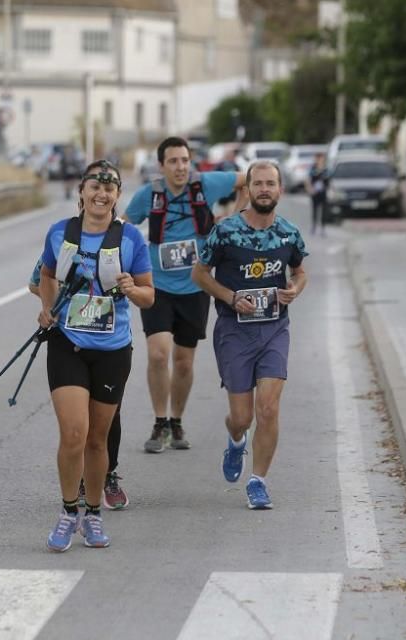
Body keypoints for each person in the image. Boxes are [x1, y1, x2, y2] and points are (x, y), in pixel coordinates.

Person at [36, 160, 154, 552]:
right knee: (73, 434)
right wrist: (48, 308)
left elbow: (148, 295)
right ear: (81, 192)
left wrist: (130, 289)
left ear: (117, 196)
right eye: (95, 187)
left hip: (112, 350)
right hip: (67, 345)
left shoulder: (131, 239)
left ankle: (93, 514)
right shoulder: (60, 233)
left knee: (97, 440)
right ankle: (68, 512)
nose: (102, 194)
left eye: (110, 188)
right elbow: (45, 277)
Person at [191, 160, 308, 510]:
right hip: (234, 331)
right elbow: (200, 274)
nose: (264, 189)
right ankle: (236, 439)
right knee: (242, 417)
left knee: (268, 409)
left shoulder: (289, 233)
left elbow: (300, 272)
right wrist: (230, 297)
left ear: (280, 189)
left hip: (274, 329)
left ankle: (258, 482)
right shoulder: (226, 231)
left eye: (271, 183)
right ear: (248, 189)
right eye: (258, 183)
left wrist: (294, 289)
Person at [123, 136, 247, 453]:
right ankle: (160, 421)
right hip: (157, 285)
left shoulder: (205, 185)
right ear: (161, 165)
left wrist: (233, 219)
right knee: (158, 354)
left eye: (184, 160)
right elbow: (125, 223)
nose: (180, 167)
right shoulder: (149, 195)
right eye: (173, 161)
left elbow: (244, 179)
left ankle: (177, 421)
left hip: (195, 286)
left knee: (183, 363)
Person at [29, 261, 129, 510]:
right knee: (76, 423)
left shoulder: (120, 243)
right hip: (70, 341)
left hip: (111, 344)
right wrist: (56, 302)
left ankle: (107, 475)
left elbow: (145, 289)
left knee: (106, 421)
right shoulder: (64, 240)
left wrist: (123, 289)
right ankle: (81, 483)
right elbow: (36, 283)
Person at [305, 153, 328, 236]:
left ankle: (323, 228)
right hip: (315, 192)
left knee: (324, 211)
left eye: (322, 159)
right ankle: (314, 226)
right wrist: (310, 189)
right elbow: (308, 180)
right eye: (318, 159)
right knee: (315, 210)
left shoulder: (326, 169)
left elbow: (329, 180)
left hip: (323, 192)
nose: (320, 160)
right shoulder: (312, 169)